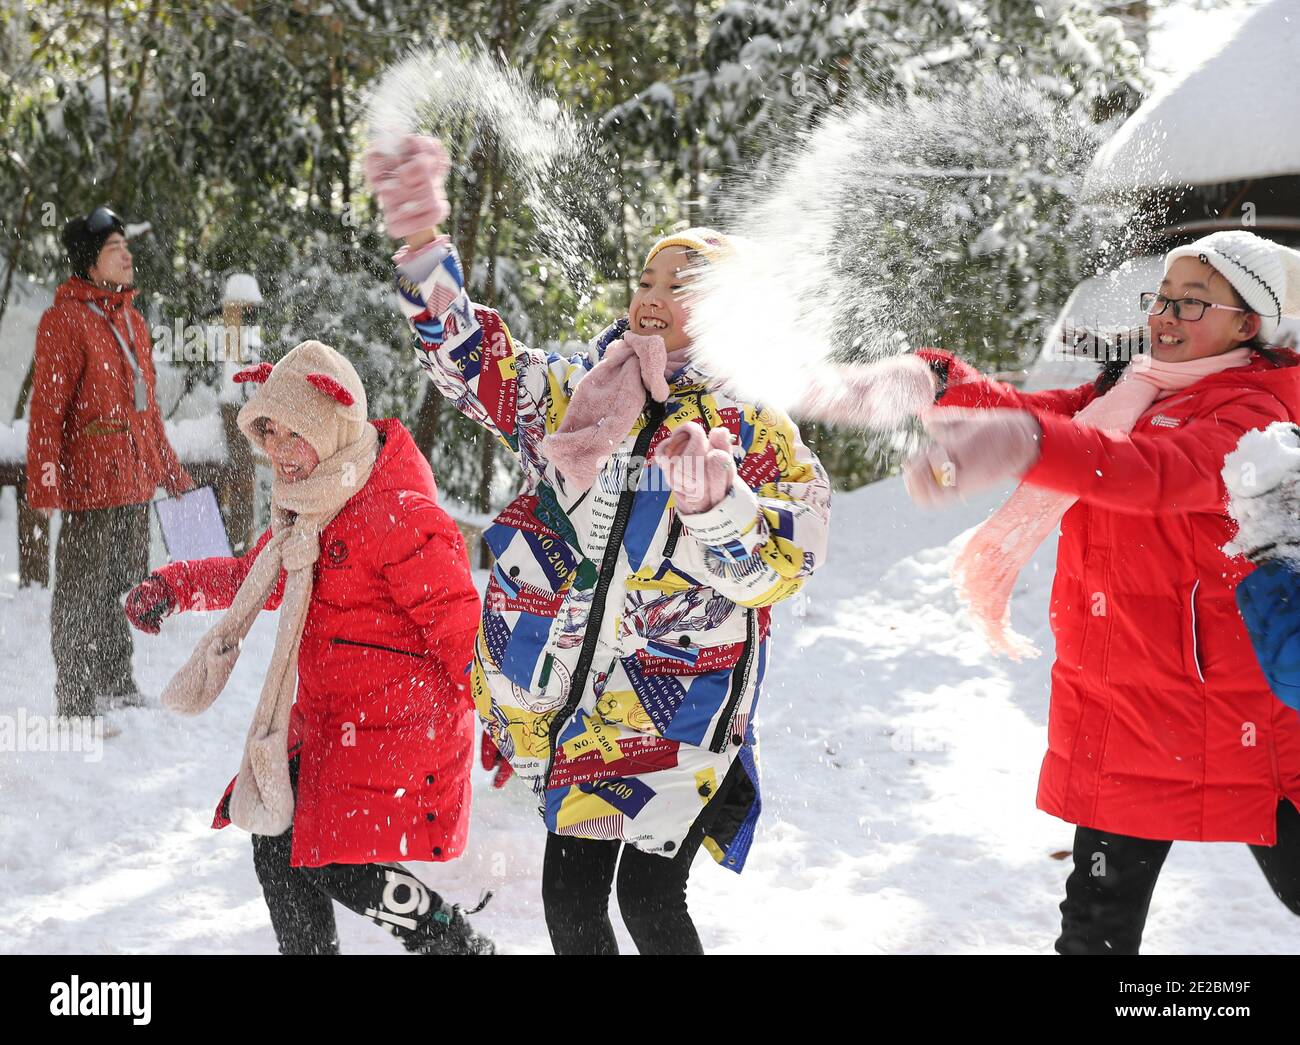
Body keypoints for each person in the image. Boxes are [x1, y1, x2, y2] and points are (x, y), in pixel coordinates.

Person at [365, 135, 832, 954]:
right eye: (647, 279)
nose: (653, 296)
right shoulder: (589, 390)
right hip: (585, 705)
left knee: (650, 901)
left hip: (680, 709)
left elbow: (785, 563)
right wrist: (421, 251)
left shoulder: (753, 424)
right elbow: (485, 368)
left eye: (681, 285)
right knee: (572, 911)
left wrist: (719, 505)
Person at [875, 230, 1300, 953]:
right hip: (1127, 708)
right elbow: (1036, 411)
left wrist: (1028, 445)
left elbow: (1151, 471)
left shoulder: (1260, 412)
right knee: (1094, 932)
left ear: (1249, 323)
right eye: (1162, 298)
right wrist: (937, 381)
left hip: (1243, 719)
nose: (1165, 315)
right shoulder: (1128, 388)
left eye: (1191, 303)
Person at [124, 340, 492, 955]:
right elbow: (260, 576)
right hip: (336, 722)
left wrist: (509, 725)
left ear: (334, 426)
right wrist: (177, 585)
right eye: (269, 434)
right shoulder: (309, 507)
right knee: (275, 838)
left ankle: (452, 941)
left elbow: (464, 635)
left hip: (401, 727)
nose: (279, 453)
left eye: (296, 435)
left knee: (330, 857)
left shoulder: (398, 514)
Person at [26, 206, 193, 717]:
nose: (126, 255)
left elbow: (149, 413)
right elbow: (47, 414)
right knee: (80, 592)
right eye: (113, 249)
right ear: (89, 263)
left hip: (134, 480)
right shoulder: (65, 321)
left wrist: (172, 474)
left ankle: (115, 682)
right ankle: (76, 700)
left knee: (124, 587)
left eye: (126, 245)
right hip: (89, 482)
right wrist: (47, 486)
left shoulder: (134, 322)